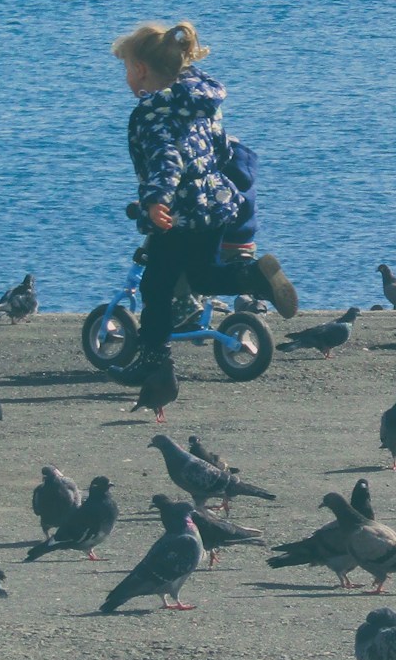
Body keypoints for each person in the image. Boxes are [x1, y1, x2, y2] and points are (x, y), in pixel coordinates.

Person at [108, 21, 297, 394]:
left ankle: (153, 361)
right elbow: (221, 147)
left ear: (142, 70)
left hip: (178, 213)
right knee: (203, 275)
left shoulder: (152, 112)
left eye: (127, 69)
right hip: (214, 203)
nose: (127, 78)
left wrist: (156, 199)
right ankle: (252, 277)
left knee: (155, 285)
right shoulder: (200, 104)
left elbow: (165, 158)